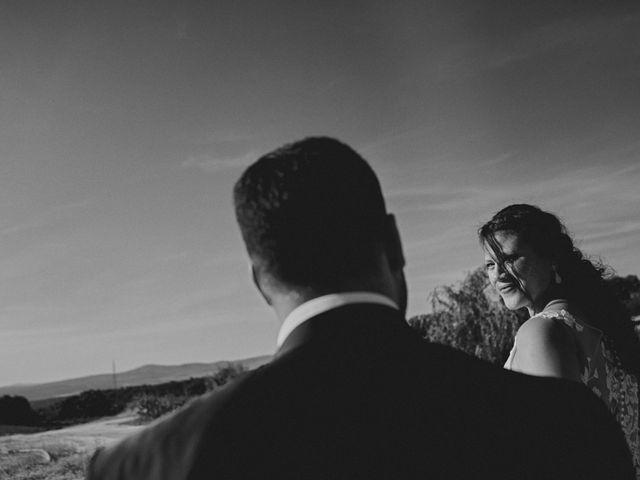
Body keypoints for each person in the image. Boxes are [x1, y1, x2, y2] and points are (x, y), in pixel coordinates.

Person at [87, 138, 634, 479]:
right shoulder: (563, 418)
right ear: (394, 245)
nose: (498, 276)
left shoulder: (138, 466)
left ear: (259, 281)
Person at [480, 203, 640, 475]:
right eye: (491, 264)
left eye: (510, 258)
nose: (499, 274)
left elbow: (560, 452)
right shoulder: (600, 327)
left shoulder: (541, 331)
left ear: (551, 257)